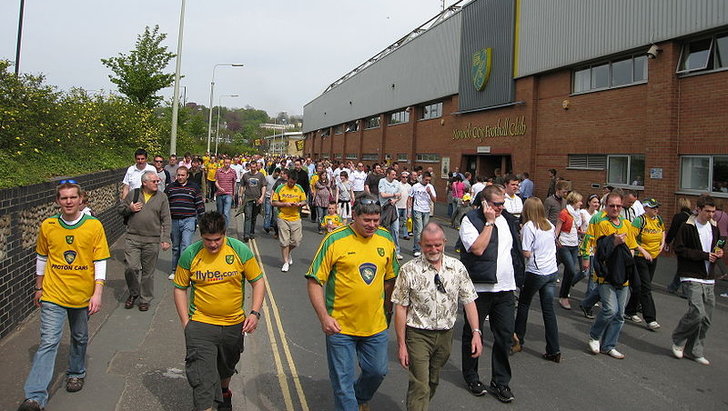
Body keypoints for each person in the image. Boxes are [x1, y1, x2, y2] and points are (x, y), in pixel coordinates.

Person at [18, 182, 110, 411]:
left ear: (81, 199)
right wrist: (38, 288)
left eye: (72, 197)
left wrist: (97, 292)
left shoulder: (93, 226)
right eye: (63, 198)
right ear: (57, 201)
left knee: (79, 337)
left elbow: (99, 261)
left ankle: (76, 372)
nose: (68, 202)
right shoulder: (48, 226)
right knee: (48, 341)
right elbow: (42, 257)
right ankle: (34, 397)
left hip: (82, 295)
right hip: (53, 293)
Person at [305, 194, 399, 411]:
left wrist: (389, 310)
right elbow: (314, 280)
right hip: (340, 327)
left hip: (375, 325)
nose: (372, 225)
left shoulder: (385, 238)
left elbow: (390, 278)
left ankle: (360, 397)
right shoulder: (334, 240)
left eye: (376, 220)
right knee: (343, 383)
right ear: (354, 216)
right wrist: (324, 317)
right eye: (367, 220)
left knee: (378, 371)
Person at [172, 211, 266, 411]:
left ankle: (224, 393)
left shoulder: (239, 250)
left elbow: (258, 281)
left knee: (226, 368)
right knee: (203, 379)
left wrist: (254, 313)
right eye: (208, 240)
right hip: (201, 325)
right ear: (201, 236)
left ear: (224, 234)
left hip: (233, 325)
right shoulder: (190, 254)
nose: (213, 244)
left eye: (217, 239)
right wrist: (186, 323)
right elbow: (180, 287)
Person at [392, 222, 481, 410]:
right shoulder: (408, 270)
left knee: (432, 381)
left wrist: (476, 332)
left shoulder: (457, 268)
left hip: (445, 335)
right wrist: (401, 344)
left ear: (444, 242)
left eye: (437, 245)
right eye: (428, 245)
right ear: (420, 244)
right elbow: (400, 308)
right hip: (418, 334)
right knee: (420, 384)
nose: (433, 249)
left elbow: (469, 301)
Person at [457, 185, 523, 403]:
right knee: (473, 333)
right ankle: (472, 376)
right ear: (485, 203)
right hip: (480, 288)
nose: (501, 208)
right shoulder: (470, 220)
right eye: (496, 204)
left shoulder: (508, 221)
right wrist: (489, 221)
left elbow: (514, 252)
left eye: (503, 203)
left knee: (504, 337)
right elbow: (477, 248)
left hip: (505, 289)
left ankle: (500, 381)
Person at [582, 192, 637, 360]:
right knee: (610, 310)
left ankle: (609, 345)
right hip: (605, 274)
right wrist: (585, 258)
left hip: (622, 275)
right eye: (611, 205)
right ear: (606, 206)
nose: (615, 209)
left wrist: (628, 262)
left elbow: (632, 246)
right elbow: (590, 241)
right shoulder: (599, 221)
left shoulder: (627, 224)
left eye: (618, 206)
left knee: (619, 314)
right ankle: (594, 335)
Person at [671, 195, 723, 366]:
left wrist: (718, 253)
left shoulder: (714, 228)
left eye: (713, 212)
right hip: (691, 274)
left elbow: (714, 247)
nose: (710, 215)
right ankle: (678, 339)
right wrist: (704, 255)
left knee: (706, 318)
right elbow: (679, 249)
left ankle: (693, 350)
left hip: (708, 277)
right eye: (707, 211)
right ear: (698, 210)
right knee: (697, 312)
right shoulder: (687, 227)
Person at [512, 197, 560, 362]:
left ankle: (518, 340)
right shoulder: (549, 224)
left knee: (524, 304)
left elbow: (525, 251)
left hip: (536, 271)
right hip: (551, 270)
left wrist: (522, 241)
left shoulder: (528, 227)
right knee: (549, 310)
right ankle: (554, 349)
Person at [118, 171, 171, 311]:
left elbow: (166, 218)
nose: (157, 183)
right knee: (131, 268)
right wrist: (130, 208)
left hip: (152, 240)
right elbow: (120, 209)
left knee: (148, 272)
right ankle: (134, 293)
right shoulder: (133, 194)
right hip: (133, 238)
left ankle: (145, 299)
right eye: (154, 181)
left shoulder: (162, 197)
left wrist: (165, 238)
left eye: (157, 181)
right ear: (144, 183)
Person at [625, 198, 665, 330]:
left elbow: (663, 232)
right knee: (646, 287)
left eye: (657, 208)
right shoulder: (639, 220)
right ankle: (650, 318)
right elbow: (631, 238)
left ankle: (630, 310)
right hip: (641, 257)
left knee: (639, 287)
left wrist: (662, 244)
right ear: (646, 208)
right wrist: (643, 251)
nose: (656, 210)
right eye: (653, 208)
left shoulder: (658, 219)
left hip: (653, 257)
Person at [165, 166, 205, 280]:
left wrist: (202, 220)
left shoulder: (194, 188)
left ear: (187, 176)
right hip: (174, 220)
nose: (180, 177)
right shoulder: (170, 188)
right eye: (179, 175)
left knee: (186, 246)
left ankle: (184, 271)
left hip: (189, 219)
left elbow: (199, 204)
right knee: (176, 247)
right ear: (176, 176)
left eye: (183, 175)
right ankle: (174, 270)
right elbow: (164, 204)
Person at [272, 170, 307, 272]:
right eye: (291, 182)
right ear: (288, 179)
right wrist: (284, 204)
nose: (292, 184)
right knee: (284, 241)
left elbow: (304, 200)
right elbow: (274, 202)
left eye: (294, 182)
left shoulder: (299, 188)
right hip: (283, 217)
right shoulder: (280, 188)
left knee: (296, 241)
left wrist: (300, 204)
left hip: (295, 217)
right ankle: (285, 262)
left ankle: (288, 253)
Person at [555, 191, 583, 310]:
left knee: (568, 270)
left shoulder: (577, 214)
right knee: (571, 270)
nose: (581, 203)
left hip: (574, 244)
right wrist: (555, 240)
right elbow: (558, 228)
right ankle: (563, 296)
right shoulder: (564, 213)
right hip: (564, 244)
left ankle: (564, 295)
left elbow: (577, 229)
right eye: (579, 201)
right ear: (574, 202)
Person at [666, 197, 693, 294]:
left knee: (682, 267)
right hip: (691, 244)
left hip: (680, 244)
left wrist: (667, 241)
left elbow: (673, 230)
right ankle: (674, 286)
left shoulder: (678, 217)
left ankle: (682, 290)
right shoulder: (693, 216)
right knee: (685, 266)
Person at [408, 172, 436, 257]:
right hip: (417, 209)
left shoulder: (430, 187)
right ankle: (416, 249)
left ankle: (424, 249)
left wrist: (430, 192)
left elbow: (434, 200)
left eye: (429, 180)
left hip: (426, 210)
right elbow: (410, 197)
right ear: (422, 178)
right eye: (426, 180)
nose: (427, 181)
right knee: (419, 230)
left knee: (425, 231)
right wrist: (409, 209)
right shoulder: (415, 186)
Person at [240, 161, 267, 242]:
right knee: (248, 216)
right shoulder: (246, 175)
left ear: (257, 167)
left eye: (254, 167)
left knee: (254, 217)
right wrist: (240, 197)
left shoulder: (261, 175)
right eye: (251, 167)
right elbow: (242, 186)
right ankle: (246, 235)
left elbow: (264, 186)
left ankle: (251, 232)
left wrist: (262, 197)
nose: (253, 169)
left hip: (257, 199)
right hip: (248, 198)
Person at [379, 167, 402, 259]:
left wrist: (395, 200)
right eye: (392, 175)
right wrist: (393, 195)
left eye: (395, 175)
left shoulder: (397, 183)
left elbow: (400, 196)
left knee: (395, 230)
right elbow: (382, 194)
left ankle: (396, 251)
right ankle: (383, 249)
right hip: (384, 208)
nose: (394, 176)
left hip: (393, 208)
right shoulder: (382, 181)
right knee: (383, 229)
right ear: (388, 174)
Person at [263, 168, 281, 235]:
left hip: (275, 199)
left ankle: (271, 225)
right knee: (267, 213)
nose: (276, 175)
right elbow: (264, 186)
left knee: (274, 213)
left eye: (277, 175)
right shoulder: (267, 178)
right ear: (273, 172)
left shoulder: (279, 180)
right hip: (268, 197)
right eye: (275, 174)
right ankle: (266, 226)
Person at [396, 172, 412, 240]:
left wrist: (409, 207)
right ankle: (396, 233)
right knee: (397, 221)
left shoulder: (409, 186)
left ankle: (405, 234)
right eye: (403, 177)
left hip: (405, 206)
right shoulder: (397, 184)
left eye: (406, 177)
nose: (405, 178)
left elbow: (410, 198)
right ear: (401, 177)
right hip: (398, 205)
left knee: (405, 221)